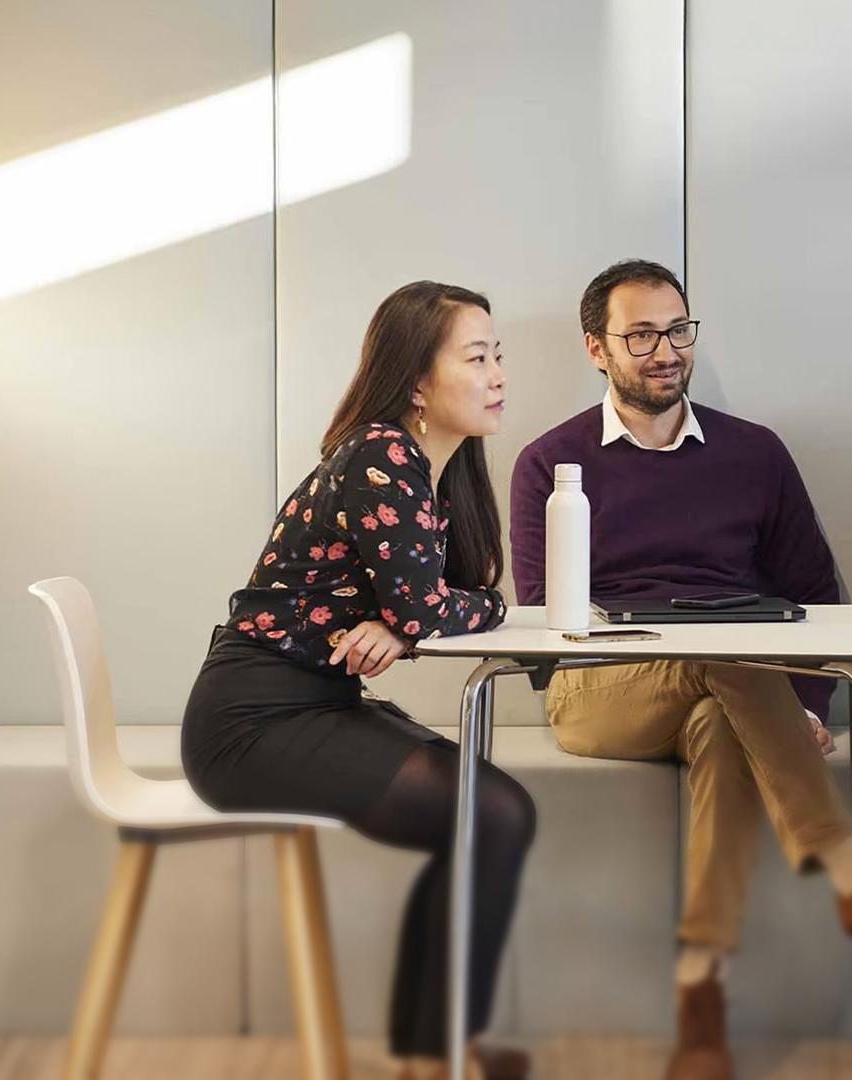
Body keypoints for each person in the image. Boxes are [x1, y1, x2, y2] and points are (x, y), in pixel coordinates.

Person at [509, 259, 852, 1080]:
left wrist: (806, 704)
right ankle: (849, 864)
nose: (665, 350)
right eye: (640, 335)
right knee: (722, 649)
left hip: (732, 686)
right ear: (597, 349)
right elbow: (539, 615)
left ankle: (700, 999)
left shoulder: (754, 454)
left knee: (720, 715)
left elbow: (815, 593)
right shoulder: (551, 463)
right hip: (598, 690)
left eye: (678, 329)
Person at [181, 282, 533, 1080]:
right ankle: (436, 1057)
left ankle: (430, 1052)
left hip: (314, 703)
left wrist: (415, 619)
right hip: (252, 724)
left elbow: (433, 603)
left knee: (497, 813)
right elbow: (434, 605)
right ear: (417, 380)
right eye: (477, 357)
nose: (499, 374)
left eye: (498, 355)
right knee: (497, 815)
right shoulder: (384, 454)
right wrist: (426, 616)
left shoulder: (435, 473)